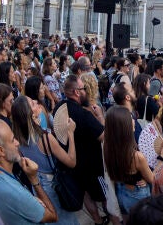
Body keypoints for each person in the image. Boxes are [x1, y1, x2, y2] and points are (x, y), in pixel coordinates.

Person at [12, 96, 80, 224]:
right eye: (32, 103)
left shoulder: (16, 140)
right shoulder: (45, 138)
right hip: (52, 186)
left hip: (36, 187)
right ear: (30, 115)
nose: (37, 102)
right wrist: (70, 133)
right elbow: (71, 161)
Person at [0, 118, 58, 223]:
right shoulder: (15, 193)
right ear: (1, 150)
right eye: (13, 140)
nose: (17, 143)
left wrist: (29, 202)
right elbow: (52, 216)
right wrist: (34, 179)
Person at [55, 75, 107, 225]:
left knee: (86, 195)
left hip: (75, 164)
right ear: (77, 92)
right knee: (104, 195)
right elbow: (103, 135)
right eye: (83, 88)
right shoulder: (84, 115)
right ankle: (112, 217)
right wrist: (100, 117)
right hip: (93, 165)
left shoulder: (59, 107)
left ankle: (97, 220)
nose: (86, 91)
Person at [104, 106, 154, 216]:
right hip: (137, 195)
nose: (133, 120)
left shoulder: (107, 147)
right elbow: (152, 179)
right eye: (130, 118)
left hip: (121, 190)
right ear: (124, 127)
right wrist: (162, 157)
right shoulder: (136, 156)